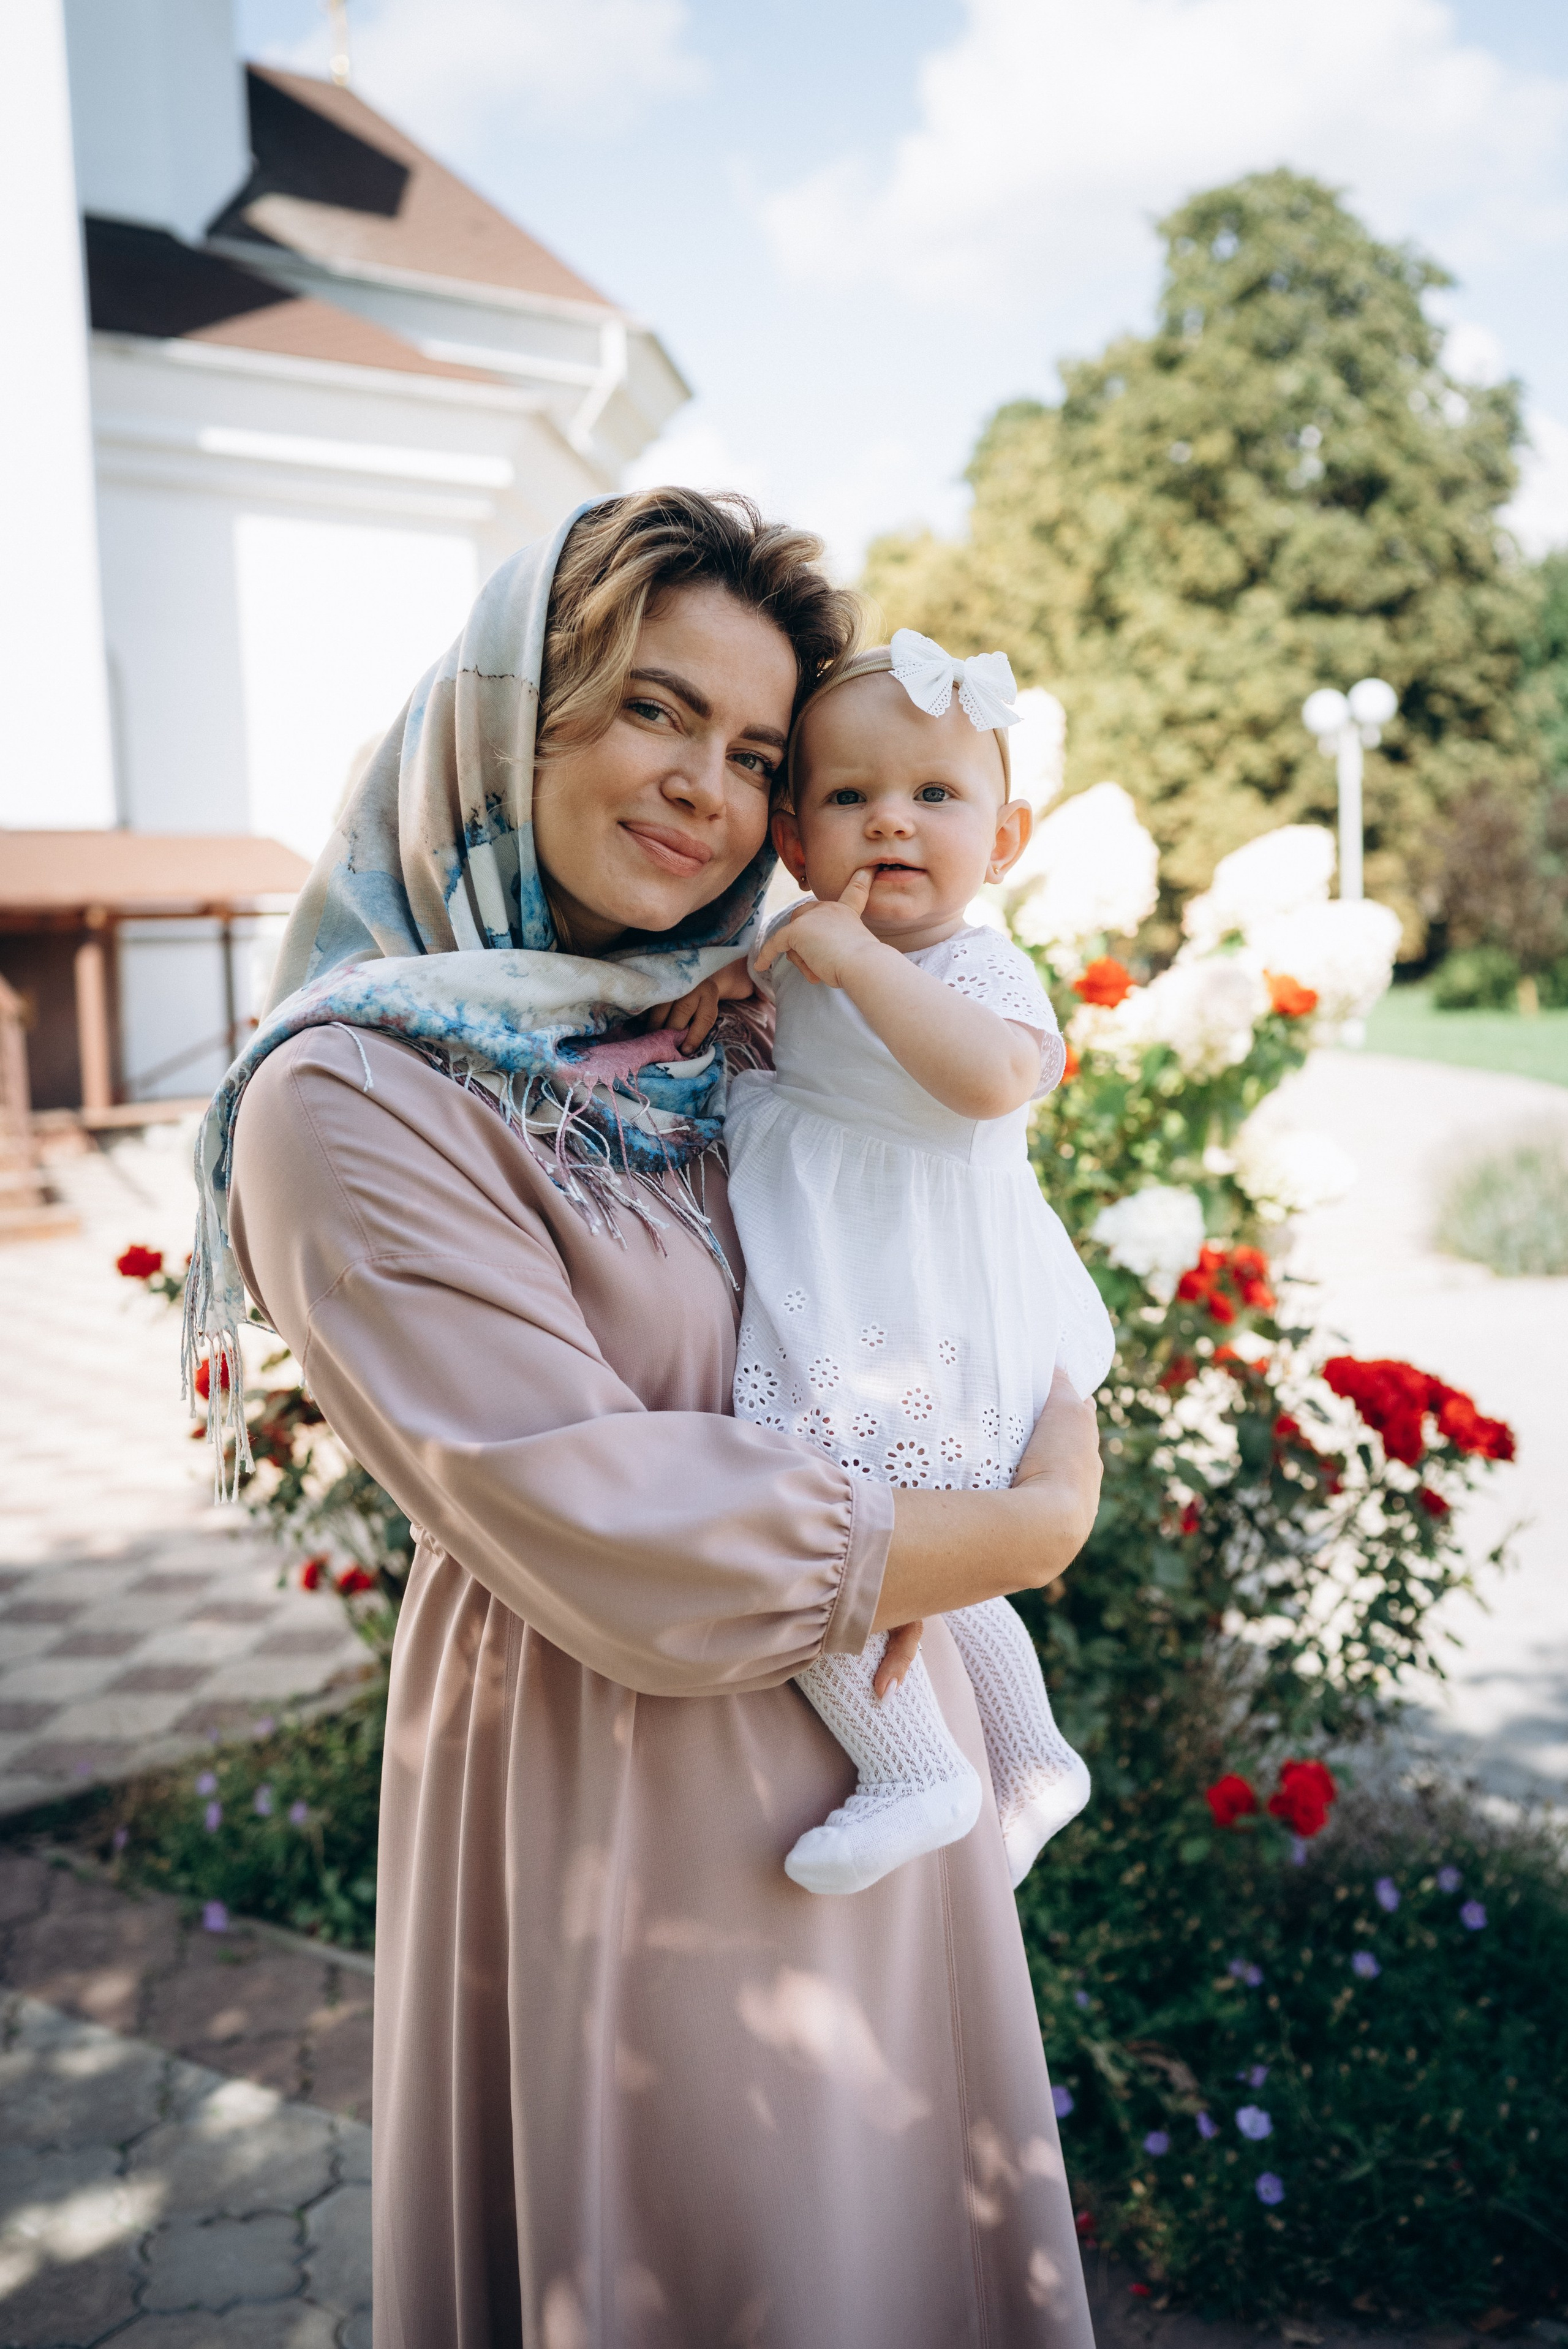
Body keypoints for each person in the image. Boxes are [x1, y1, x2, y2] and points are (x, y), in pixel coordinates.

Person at [202, 490, 1104, 2347]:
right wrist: (1023, 1532)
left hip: (882, 1749)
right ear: (510, 715)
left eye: (759, 752)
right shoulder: (356, 1096)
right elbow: (610, 1516)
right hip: (632, 1779)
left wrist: (1049, 1382)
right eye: (649, 708)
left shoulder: (714, 1019)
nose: (707, 783)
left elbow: (954, 1222)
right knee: (728, 2258)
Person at [703, 636, 1115, 1899]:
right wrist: (731, 986)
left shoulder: (977, 967)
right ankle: (1034, 1759)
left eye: (934, 796)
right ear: (790, 836)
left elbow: (992, 1081)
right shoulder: (808, 940)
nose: (890, 821)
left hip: (924, 1296)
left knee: (825, 1524)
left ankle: (916, 1770)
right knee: (892, 1536)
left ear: (1002, 840)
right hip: (848, 1268)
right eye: (848, 796)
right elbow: (784, 1033)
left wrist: (861, 962)